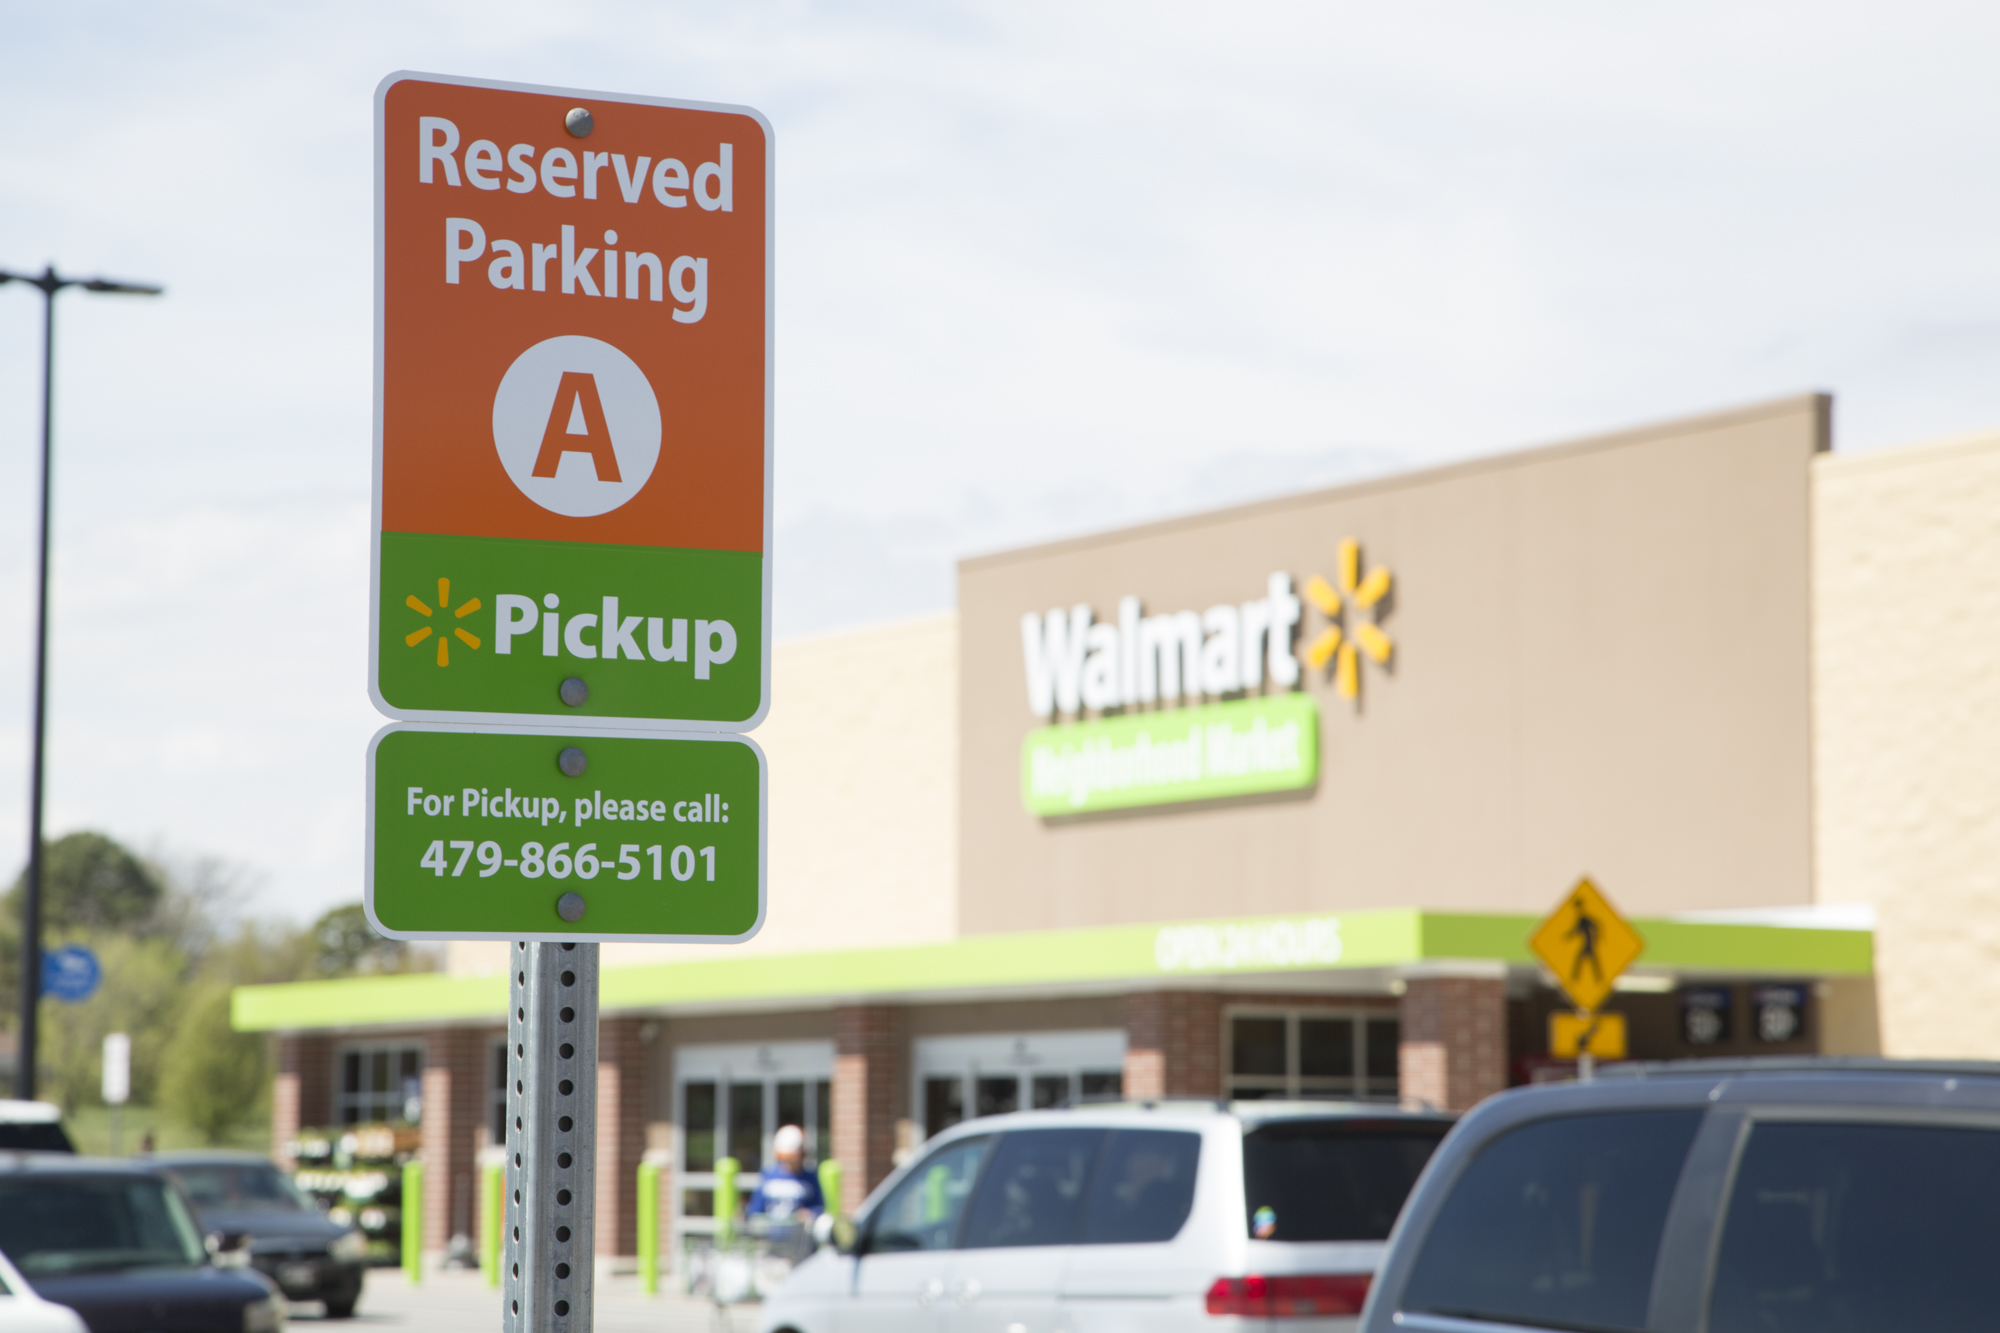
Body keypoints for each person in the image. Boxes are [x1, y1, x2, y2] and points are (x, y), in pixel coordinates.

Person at [746, 1125, 823, 1228]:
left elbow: (819, 1207)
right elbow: (755, 1209)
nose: (790, 1163)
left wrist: (809, 1213)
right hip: (771, 1237)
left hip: (799, 1238)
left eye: (793, 1158)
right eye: (786, 1159)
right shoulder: (768, 1175)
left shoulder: (810, 1178)